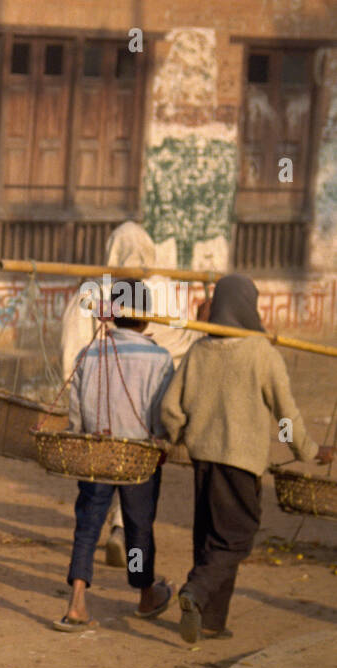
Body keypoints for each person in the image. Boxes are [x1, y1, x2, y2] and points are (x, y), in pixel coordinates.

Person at [160, 274, 334, 643]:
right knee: (236, 540)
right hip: (240, 463)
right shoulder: (261, 354)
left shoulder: (198, 352)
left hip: (204, 460)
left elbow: (171, 408)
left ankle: (211, 621)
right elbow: (283, 415)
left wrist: (174, 437)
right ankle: (196, 591)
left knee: (209, 537)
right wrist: (306, 450)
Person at [59, 222, 201, 567]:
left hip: (101, 396)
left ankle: (79, 587)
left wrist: (74, 399)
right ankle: (130, 550)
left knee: (98, 476)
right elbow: (186, 344)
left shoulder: (93, 291)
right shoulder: (166, 291)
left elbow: (71, 347)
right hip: (150, 397)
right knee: (137, 470)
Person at [56, 282, 175, 632]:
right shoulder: (160, 358)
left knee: (88, 528)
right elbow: (162, 414)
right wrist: (160, 438)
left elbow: (76, 414)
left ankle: (77, 600)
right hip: (138, 457)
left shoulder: (88, 355)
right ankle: (144, 594)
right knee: (138, 529)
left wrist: (82, 433)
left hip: (97, 453)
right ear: (144, 320)